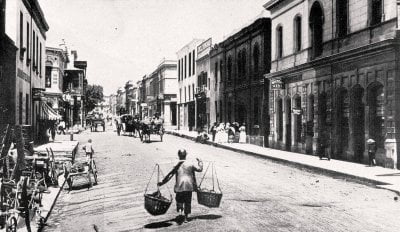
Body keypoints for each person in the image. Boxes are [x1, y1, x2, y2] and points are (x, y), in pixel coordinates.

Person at [158, 149, 203, 223]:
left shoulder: (176, 165)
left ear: (178, 155)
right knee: (187, 201)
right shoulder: (191, 164)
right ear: (186, 155)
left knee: (179, 200)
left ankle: (180, 212)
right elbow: (200, 169)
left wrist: (162, 182)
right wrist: (200, 161)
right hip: (189, 185)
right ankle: (186, 218)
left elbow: (170, 175)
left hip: (180, 185)